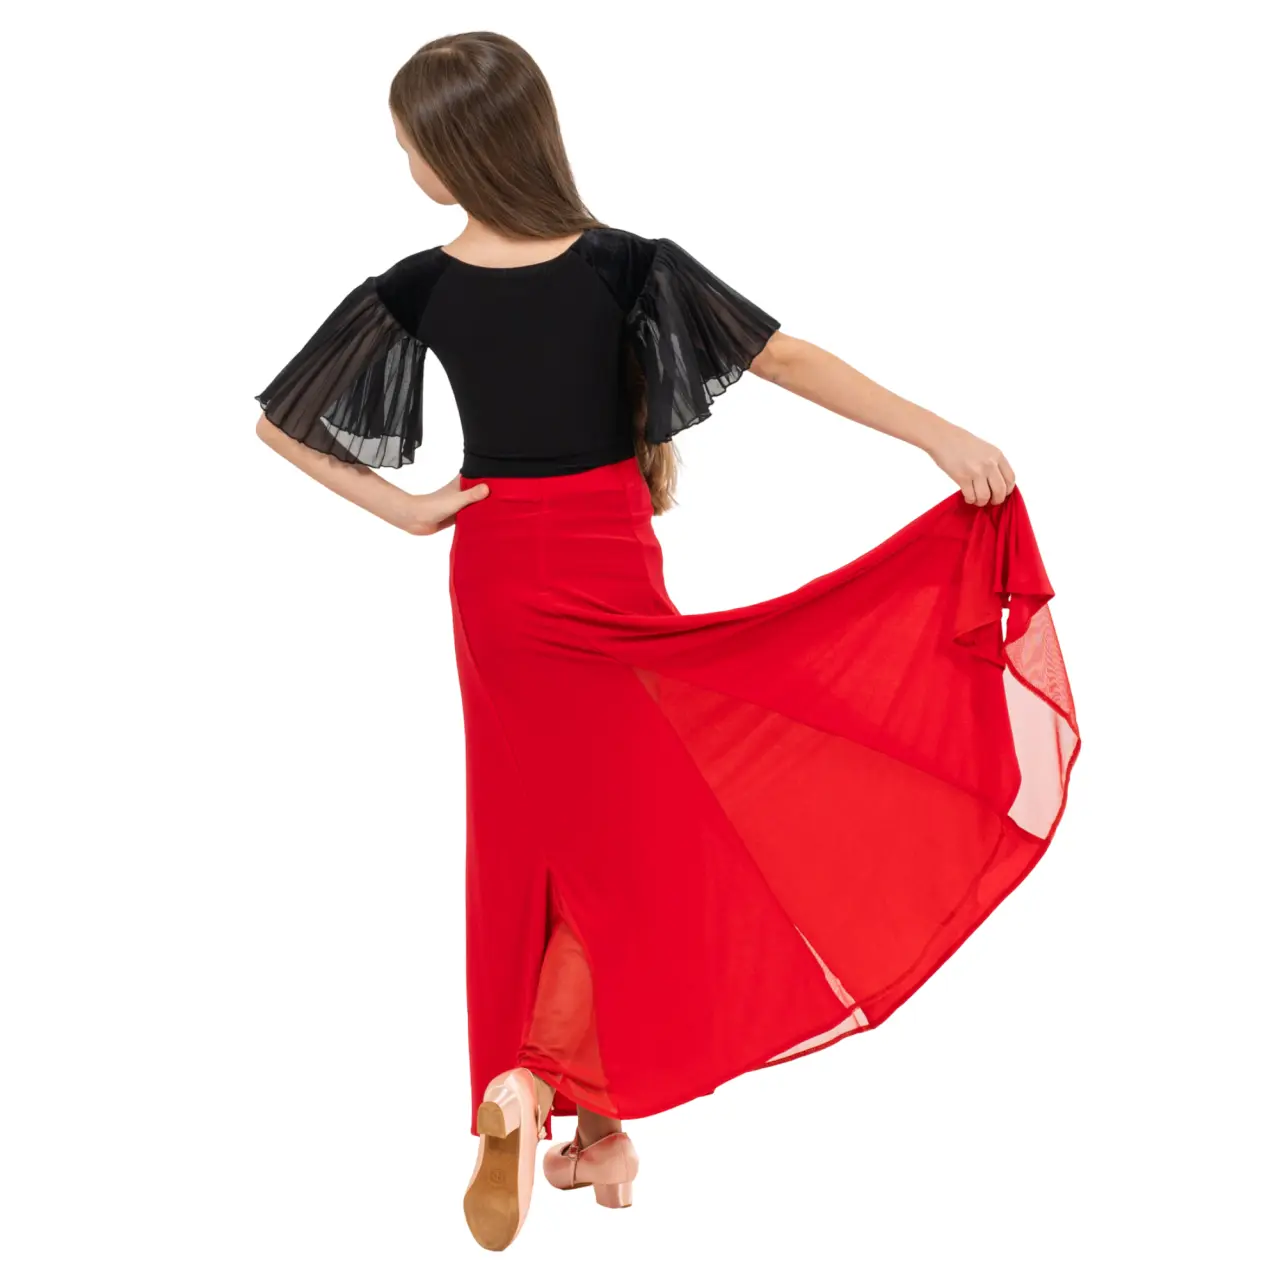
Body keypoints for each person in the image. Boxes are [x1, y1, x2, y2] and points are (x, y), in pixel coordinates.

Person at [254, 30, 1079, 1253]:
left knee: (530, 836)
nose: (404, 164)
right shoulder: (621, 265)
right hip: (604, 563)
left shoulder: (422, 285)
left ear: (458, 149)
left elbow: (281, 423)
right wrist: (935, 434)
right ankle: (547, 1084)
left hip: (497, 582)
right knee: (627, 840)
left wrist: (413, 510)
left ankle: (566, 1110)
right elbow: (784, 356)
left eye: (408, 144)